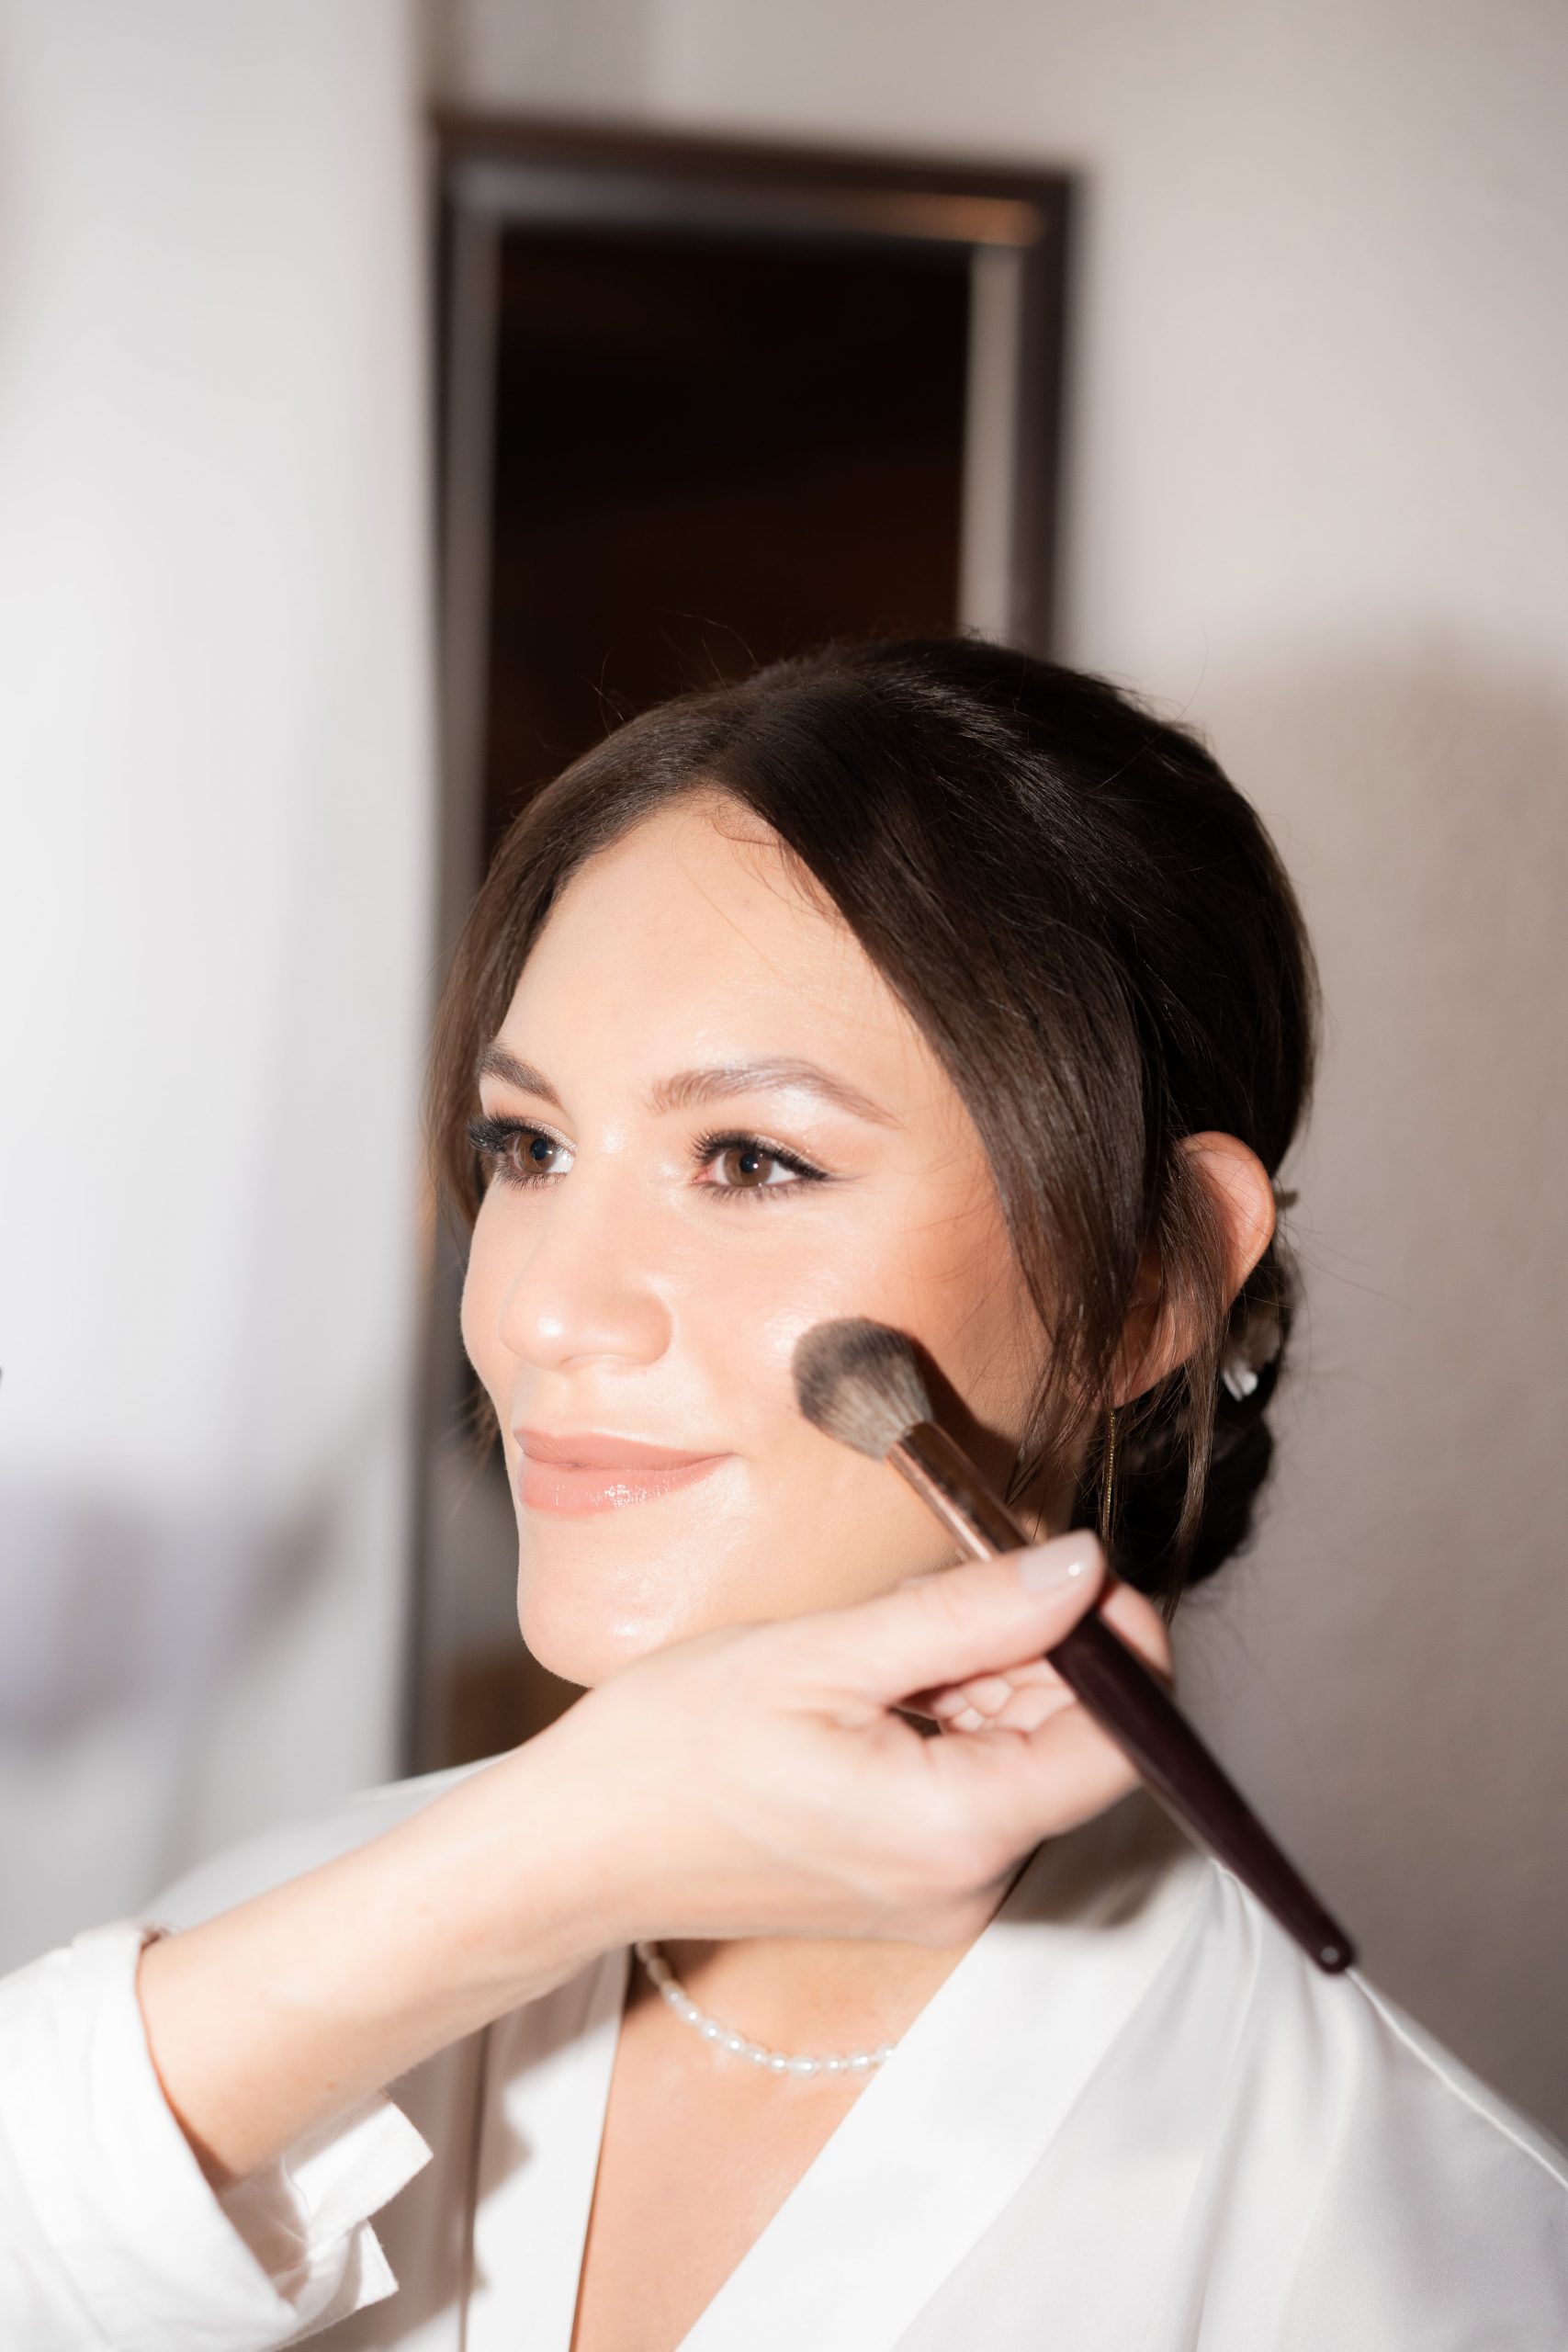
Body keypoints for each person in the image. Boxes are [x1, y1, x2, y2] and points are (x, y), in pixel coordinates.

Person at [3, 638, 1564, 2348]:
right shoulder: (271, 1962)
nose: (540, 1312)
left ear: (1151, 1284)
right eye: (526, 1148)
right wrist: (551, 1856)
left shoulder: (1409, 2259)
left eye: (750, 1162)